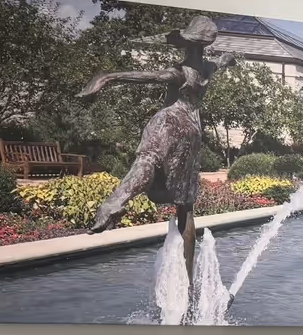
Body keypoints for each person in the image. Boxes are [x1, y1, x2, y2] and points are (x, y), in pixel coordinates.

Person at [77, 16, 220, 249]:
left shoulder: (179, 72)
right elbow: (223, 61)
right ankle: (187, 269)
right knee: (184, 200)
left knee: (148, 159)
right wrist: (228, 60)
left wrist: (108, 77)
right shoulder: (208, 69)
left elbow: (148, 77)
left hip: (170, 120)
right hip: (192, 133)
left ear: (186, 44)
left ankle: (115, 202)